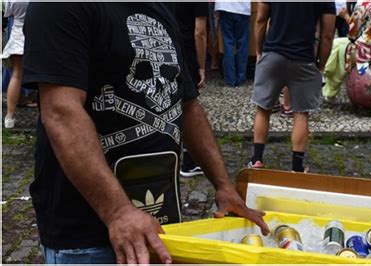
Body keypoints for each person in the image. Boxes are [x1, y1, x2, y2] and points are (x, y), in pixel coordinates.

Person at [22, 2, 269, 264]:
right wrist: (118, 212)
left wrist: (224, 186)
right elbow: (61, 113)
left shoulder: (159, 7)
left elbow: (186, 105)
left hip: (160, 226)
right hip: (90, 236)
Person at [249, 2, 336, 172]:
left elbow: (260, 20)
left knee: (263, 109)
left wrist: (260, 52)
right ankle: (297, 167)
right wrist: (321, 65)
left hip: (273, 54)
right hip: (303, 58)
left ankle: (257, 160)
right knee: (301, 114)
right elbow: (327, 35)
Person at [322, 0, 371, 103]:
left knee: (337, 47)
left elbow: (352, 33)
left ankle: (330, 88)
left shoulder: (363, 3)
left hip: (365, 53)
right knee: (339, 44)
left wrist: (345, 15)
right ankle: (327, 72)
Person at [171, 2, 208, 177]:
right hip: (187, 52)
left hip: (167, 50)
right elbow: (199, 32)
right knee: (188, 107)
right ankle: (188, 162)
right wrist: (201, 66)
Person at [2, 0, 29, 128]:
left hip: (18, 33)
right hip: (38, 33)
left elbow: (8, 13)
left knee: (16, 74)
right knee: (42, 77)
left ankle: (9, 117)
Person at [214, 0, 251, 87]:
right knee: (242, 44)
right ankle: (240, 77)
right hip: (243, 8)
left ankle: (230, 79)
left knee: (228, 43)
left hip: (225, 6)